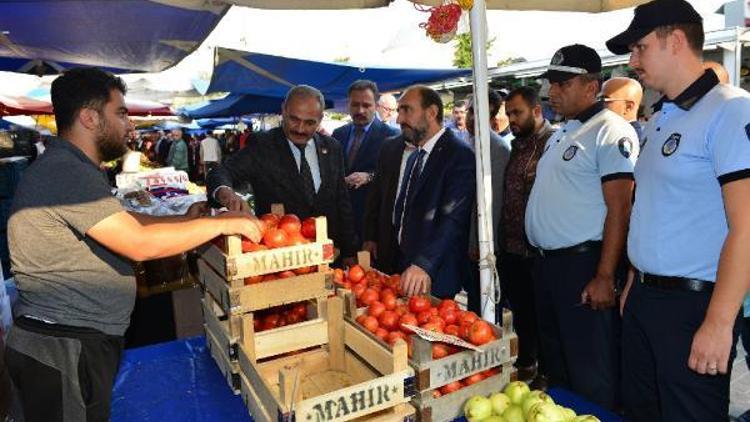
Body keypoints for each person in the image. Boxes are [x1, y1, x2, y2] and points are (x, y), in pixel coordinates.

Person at [3, 67, 263, 422]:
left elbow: (129, 223)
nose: (130, 124)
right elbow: (138, 242)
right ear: (90, 118)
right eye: (121, 112)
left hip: (75, 342)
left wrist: (187, 220)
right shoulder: (64, 171)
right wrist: (224, 221)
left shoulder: (72, 166)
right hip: (63, 348)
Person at [606, 0, 750, 419]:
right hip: (645, 299)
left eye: (640, 48)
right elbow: (652, 206)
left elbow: (747, 226)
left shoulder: (730, 109)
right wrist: (634, 278)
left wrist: (720, 323)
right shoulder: (662, 118)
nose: (632, 61)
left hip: (693, 306)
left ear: (676, 41)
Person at [525, 44, 638, 409]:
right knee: (558, 367)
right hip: (548, 267)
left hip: (583, 266)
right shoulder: (562, 133)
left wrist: (605, 275)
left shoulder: (610, 131)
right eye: (550, 83)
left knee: (591, 372)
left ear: (591, 86)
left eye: (562, 83)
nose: (551, 92)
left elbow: (620, 207)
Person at [206, 85, 357, 263]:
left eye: (310, 123)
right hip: (282, 259)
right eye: (294, 119)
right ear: (283, 110)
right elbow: (221, 171)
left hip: (330, 254)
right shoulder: (262, 145)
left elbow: (342, 201)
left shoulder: (332, 147)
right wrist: (226, 193)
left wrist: (349, 251)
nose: (300, 129)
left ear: (320, 119)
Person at [394, 85, 476, 299]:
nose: (399, 119)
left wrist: (424, 264)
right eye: (398, 111)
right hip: (408, 269)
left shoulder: (459, 155)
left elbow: (454, 219)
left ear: (431, 112)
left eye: (406, 110)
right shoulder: (414, 157)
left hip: (436, 274)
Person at [498, 86, 555, 383]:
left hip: (539, 252)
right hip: (512, 248)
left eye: (517, 112)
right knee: (522, 313)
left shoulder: (554, 143)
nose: (511, 120)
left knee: (543, 316)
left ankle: (547, 372)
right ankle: (527, 362)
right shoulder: (517, 145)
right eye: (508, 114)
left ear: (536, 111)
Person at [332, 80, 399, 244]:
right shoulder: (338, 134)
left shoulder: (392, 136)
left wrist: (369, 177)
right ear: (348, 104)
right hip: (341, 222)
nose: (360, 110)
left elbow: (396, 176)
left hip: (373, 226)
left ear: (376, 106)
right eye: (355, 105)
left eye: (366, 105)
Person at [463, 89, 511, 316]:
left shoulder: (497, 149)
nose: (472, 118)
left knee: (484, 307)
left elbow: (493, 202)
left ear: (493, 117)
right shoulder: (466, 141)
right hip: (463, 241)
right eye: (470, 111)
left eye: (478, 113)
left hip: (482, 246)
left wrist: (479, 243)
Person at [602, 77, 645, 143]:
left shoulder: (628, 139)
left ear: (628, 107)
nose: (599, 104)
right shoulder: (612, 132)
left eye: (605, 100)